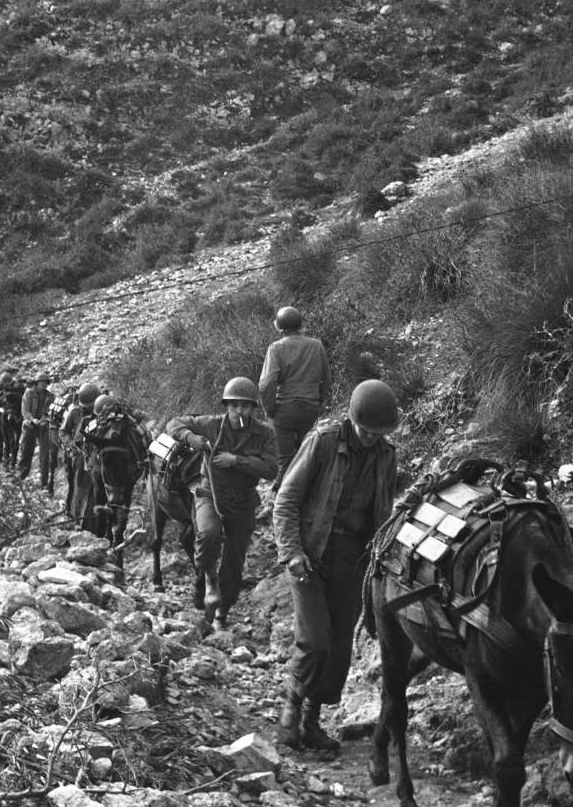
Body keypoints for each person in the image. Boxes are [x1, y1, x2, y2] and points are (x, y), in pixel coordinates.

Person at [272, 379, 400, 750]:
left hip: (354, 559)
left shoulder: (386, 455)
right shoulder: (324, 441)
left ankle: (311, 721)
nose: (372, 438)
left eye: (379, 433)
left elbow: (383, 513)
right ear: (352, 420)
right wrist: (292, 551)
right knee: (314, 639)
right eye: (366, 431)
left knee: (340, 646)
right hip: (311, 553)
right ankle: (290, 713)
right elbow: (287, 500)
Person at [167, 377, 278, 631]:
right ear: (227, 406)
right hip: (210, 494)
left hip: (243, 500)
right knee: (207, 536)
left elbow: (271, 469)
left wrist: (236, 461)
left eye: (245, 406)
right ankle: (209, 579)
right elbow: (174, 423)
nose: (239, 411)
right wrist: (190, 438)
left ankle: (222, 611)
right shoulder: (212, 424)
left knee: (235, 560)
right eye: (234, 405)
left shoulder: (264, 433)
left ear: (252, 409)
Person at [258, 306, 330, 489]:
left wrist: (270, 410)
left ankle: (279, 494)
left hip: (284, 412)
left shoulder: (276, 349)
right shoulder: (316, 345)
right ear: (300, 325)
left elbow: (266, 384)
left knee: (284, 460)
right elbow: (326, 378)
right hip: (311, 409)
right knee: (307, 455)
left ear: (280, 328)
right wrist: (320, 403)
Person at [60, 381, 100, 531]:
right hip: (78, 456)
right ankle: (77, 520)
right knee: (78, 488)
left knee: (95, 491)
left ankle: (92, 523)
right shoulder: (74, 412)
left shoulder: (101, 412)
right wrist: (71, 446)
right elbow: (63, 432)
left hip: (95, 457)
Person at [17, 373, 55, 486]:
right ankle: (21, 478)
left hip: (43, 426)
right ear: (36, 383)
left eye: (45, 382)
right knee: (26, 452)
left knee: (45, 455)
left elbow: (50, 412)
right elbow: (25, 410)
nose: (44, 384)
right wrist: (32, 420)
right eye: (41, 382)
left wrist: (44, 419)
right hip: (30, 425)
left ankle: (44, 483)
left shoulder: (50, 396)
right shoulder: (28, 393)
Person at [0, 371, 23, 468]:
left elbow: (21, 404)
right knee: (1, 437)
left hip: (13, 417)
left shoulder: (17, 390)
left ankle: (10, 459)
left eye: (4, 382)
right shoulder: (0, 391)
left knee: (11, 440)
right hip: (2, 416)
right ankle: (3, 457)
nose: (3, 384)